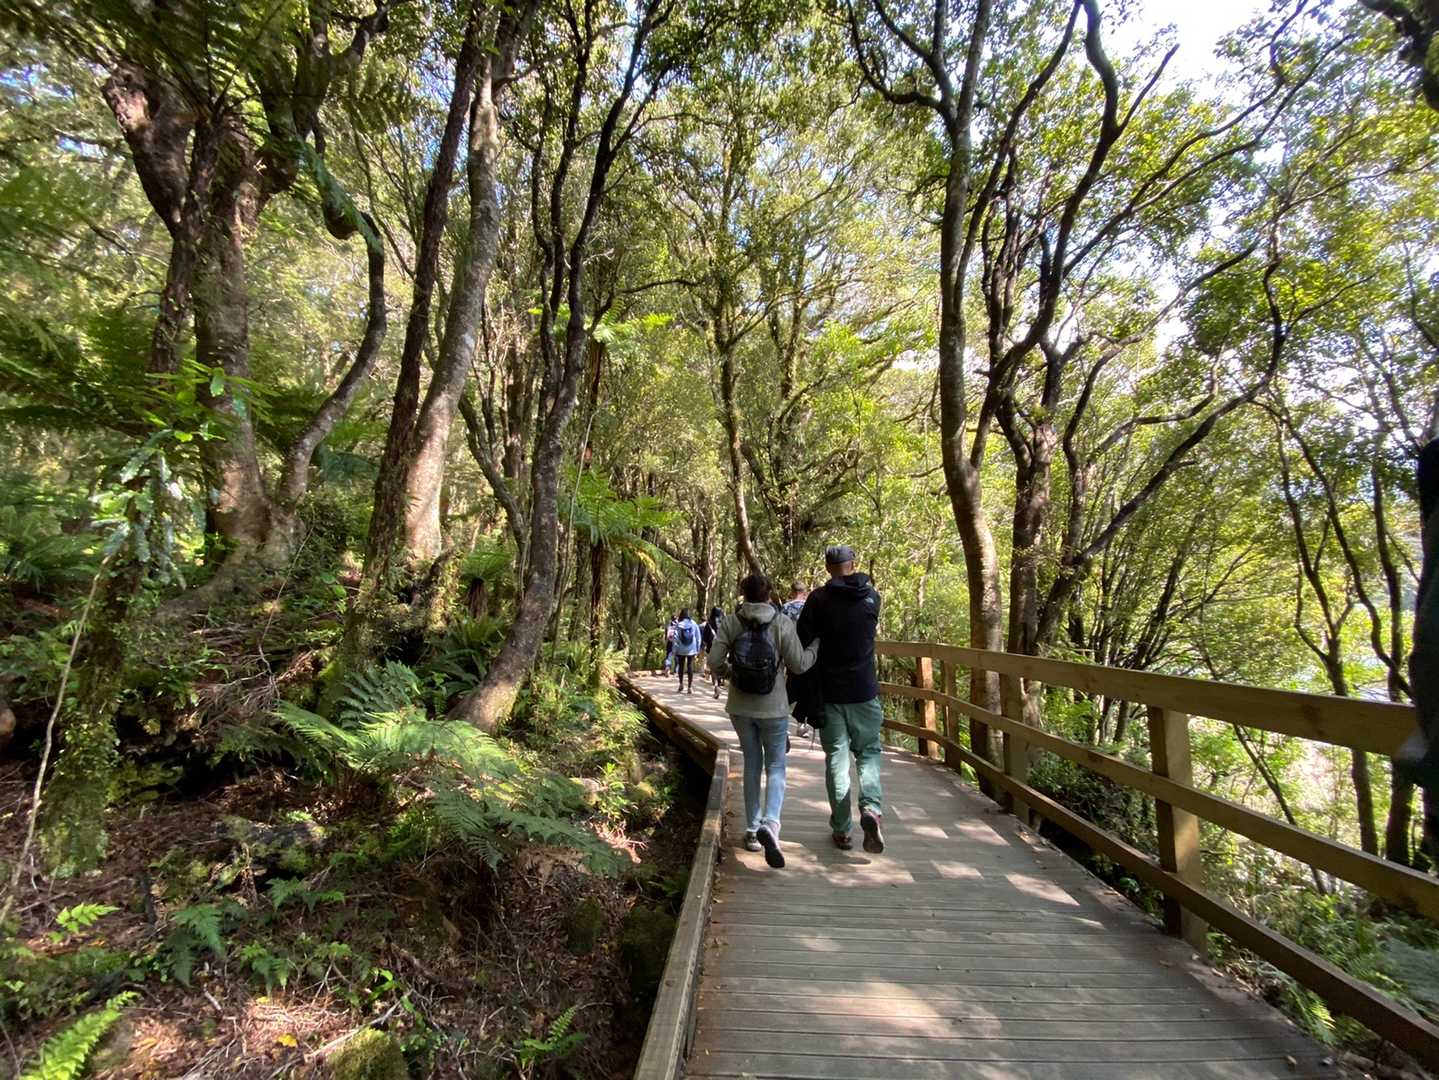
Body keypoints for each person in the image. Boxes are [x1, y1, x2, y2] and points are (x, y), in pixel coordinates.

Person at [708, 573, 819, 868]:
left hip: (740, 707)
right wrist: (815, 648)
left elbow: (714, 662)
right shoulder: (781, 623)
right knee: (776, 765)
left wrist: (733, 675)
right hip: (774, 707)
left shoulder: (731, 622)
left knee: (752, 763)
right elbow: (799, 664)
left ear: (743, 594)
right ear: (769, 594)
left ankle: (752, 831)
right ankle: (771, 823)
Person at [797, 544, 885, 854]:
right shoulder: (872, 597)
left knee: (837, 759)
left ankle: (842, 830)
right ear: (853, 563)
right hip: (864, 691)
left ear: (827, 567)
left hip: (830, 694)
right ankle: (871, 808)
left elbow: (803, 638)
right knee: (869, 752)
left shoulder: (818, 600)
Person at [672, 608, 702, 694]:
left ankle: (681, 684)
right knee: (690, 666)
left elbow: (675, 638)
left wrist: (674, 650)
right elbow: (698, 637)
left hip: (681, 649)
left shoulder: (678, 624)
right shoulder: (694, 624)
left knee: (681, 666)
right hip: (691, 649)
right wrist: (698, 649)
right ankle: (690, 687)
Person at [702, 606, 726, 698]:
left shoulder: (709, 623)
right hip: (722, 648)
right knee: (721, 665)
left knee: (713, 667)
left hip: (711, 648)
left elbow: (705, 638)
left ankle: (716, 685)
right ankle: (720, 682)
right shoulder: (724, 622)